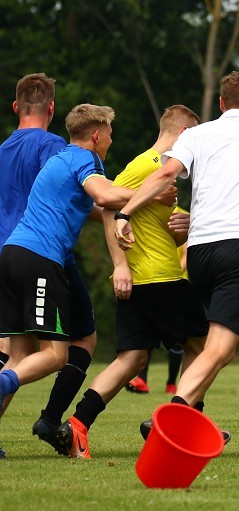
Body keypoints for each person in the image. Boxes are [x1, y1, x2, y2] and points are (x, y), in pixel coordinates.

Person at [112, 72, 239, 457]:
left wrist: (125, 212)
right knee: (219, 348)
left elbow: (166, 173)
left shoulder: (194, 136)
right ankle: (170, 413)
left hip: (200, 257)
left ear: (220, 103)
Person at [55, 105, 210, 459]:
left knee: (133, 359)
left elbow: (151, 223)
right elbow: (109, 206)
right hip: (160, 278)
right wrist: (120, 265)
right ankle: (180, 425)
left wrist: (179, 226)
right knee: (207, 349)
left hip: (145, 280)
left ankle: (77, 425)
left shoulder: (161, 175)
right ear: (185, 134)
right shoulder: (151, 166)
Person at [0, 104, 135, 421]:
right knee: (55, 355)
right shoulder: (85, 158)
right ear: (97, 135)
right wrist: (151, 192)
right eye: (110, 136)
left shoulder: (59, 160)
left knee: (18, 355)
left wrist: (128, 208)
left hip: (12, 255)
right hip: (40, 261)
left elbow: (93, 208)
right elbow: (104, 196)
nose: (111, 142)